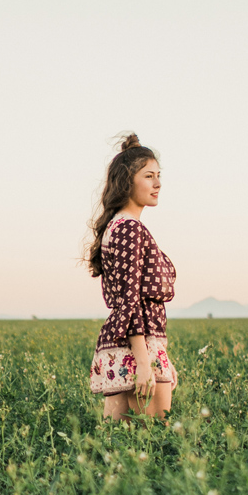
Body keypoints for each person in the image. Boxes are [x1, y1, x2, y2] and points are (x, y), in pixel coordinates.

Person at [86, 131, 178, 421]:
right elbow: (131, 299)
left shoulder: (116, 226)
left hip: (123, 346)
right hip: (137, 348)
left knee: (117, 448)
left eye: (158, 175)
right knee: (152, 445)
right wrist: (144, 361)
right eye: (149, 176)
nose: (158, 183)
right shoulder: (129, 228)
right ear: (128, 181)